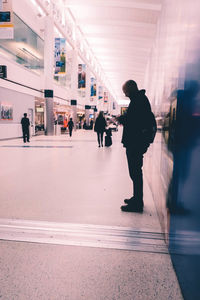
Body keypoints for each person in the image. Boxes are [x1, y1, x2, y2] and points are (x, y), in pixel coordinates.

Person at [118, 80, 153, 213]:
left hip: (135, 142)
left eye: (125, 91)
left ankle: (138, 203)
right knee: (135, 172)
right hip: (136, 142)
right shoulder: (139, 99)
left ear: (131, 88)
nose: (125, 94)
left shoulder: (138, 100)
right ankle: (136, 198)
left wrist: (122, 119)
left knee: (135, 172)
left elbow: (134, 121)